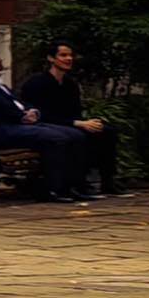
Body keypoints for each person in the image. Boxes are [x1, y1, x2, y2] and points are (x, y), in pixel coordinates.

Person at [0, 43, 98, 202]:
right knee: (57, 138)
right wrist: (22, 116)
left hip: (18, 125)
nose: (0, 60)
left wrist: (32, 111)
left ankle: (74, 186)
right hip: (2, 131)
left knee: (75, 135)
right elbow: (0, 109)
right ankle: (52, 189)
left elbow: (18, 102)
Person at [27, 40, 121, 196]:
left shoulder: (70, 84)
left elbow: (75, 110)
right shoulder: (37, 83)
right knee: (77, 136)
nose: (69, 59)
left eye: (70, 55)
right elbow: (40, 114)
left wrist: (86, 123)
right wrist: (77, 123)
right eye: (63, 55)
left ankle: (107, 181)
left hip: (71, 123)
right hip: (47, 125)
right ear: (51, 58)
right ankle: (76, 183)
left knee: (106, 131)